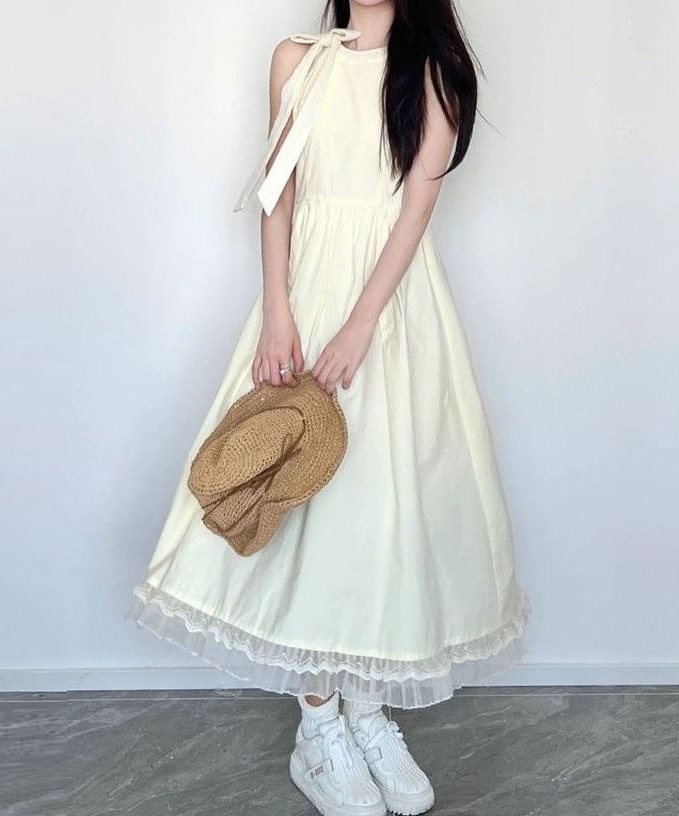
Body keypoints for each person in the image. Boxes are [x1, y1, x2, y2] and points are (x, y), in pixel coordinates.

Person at [126, 1, 530, 814]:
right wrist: (279, 310)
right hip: (306, 296)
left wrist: (361, 323)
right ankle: (318, 728)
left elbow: (416, 208)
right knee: (307, 499)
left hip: (393, 307)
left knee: (384, 506)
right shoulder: (297, 58)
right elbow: (278, 194)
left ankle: (368, 712)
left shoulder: (436, 69)